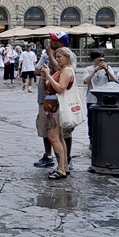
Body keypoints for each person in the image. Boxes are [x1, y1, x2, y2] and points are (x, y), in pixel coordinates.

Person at [39, 46, 75, 179]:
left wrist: (49, 75)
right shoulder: (60, 71)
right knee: (59, 137)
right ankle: (63, 166)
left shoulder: (67, 71)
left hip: (57, 106)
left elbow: (60, 88)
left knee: (53, 137)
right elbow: (45, 88)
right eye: (56, 57)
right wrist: (44, 76)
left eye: (59, 57)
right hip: (52, 104)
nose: (57, 59)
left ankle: (61, 169)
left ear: (67, 57)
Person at [83, 50, 117, 146]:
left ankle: (104, 138)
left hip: (105, 98)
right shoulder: (88, 69)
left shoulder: (108, 68)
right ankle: (92, 139)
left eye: (101, 57)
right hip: (91, 98)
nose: (100, 59)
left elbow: (114, 80)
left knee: (106, 119)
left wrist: (107, 70)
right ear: (94, 59)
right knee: (91, 120)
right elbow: (86, 81)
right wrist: (95, 70)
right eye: (98, 57)